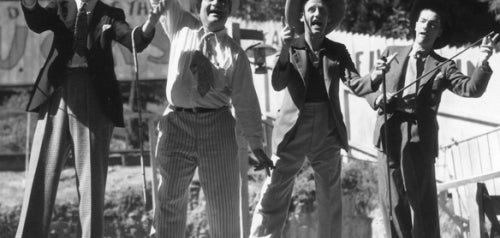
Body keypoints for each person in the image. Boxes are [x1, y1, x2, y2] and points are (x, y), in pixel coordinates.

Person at [16, 0, 163, 237]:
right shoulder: (60, 5)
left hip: (96, 97)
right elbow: (38, 22)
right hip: (57, 93)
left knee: (91, 183)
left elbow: (133, 40)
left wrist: (151, 22)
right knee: (40, 174)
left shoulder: (111, 14)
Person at [249, 0, 382, 237]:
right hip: (292, 129)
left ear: (328, 18)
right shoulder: (291, 46)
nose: (317, 13)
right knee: (273, 193)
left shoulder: (337, 50)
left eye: (322, 10)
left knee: (331, 199)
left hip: (327, 130)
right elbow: (278, 84)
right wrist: (283, 49)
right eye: (312, 9)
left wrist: (375, 79)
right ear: (303, 16)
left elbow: (355, 82)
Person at [365, 3, 498, 237]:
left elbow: (471, 88)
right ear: (416, 25)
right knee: (392, 202)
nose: (427, 26)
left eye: (433, 24)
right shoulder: (390, 52)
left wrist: (483, 62)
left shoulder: (444, 66)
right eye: (423, 21)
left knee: (424, 205)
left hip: (420, 137)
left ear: (439, 33)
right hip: (389, 132)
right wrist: (377, 98)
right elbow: (369, 86)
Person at [149, 0, 274, 237]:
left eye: (225, 1)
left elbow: (246, 103)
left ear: (229, 10)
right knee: (169, 202)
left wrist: (257, 145)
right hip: (176, 123)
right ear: (200, 3)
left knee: (224, 207)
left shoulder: (234, 53)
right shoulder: (181, 23)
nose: (217, 2)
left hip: (217, 127)